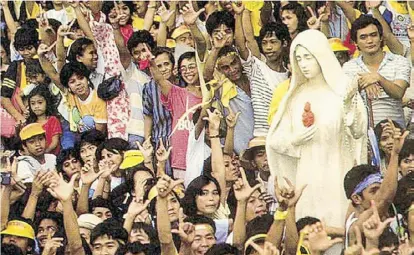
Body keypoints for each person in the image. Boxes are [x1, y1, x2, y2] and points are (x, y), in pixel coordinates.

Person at [266, 29, 367, 228]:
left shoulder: (341, 91)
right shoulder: (295, 96)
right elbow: (274, 141)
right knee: (309, 228)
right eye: (299, 59)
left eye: (308, 57)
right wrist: (294, 140)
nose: (303, 64)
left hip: (338, 170)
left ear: (321, 56)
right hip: (307, 175)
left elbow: (358, 132)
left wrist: (349, 106)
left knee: (339, 224)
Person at [343, 15, 411, 128]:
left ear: (381, 37)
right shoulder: (348, 67)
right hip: (362, 135)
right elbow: (345, 98)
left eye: (373, 35)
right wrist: (361, 84)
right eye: (363, 37)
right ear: (356, 42)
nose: (369, 41)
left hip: (395, 135)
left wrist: (379, 78)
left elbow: (398, 93)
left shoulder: (399, 61)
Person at [26, 85, 62, 155]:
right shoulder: (31, 123)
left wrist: (44, 153)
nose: (36, 106)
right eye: (33, 103)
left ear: (47, 102)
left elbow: (55, 142)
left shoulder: (53, 120)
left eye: (40, 102)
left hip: (53, 156)